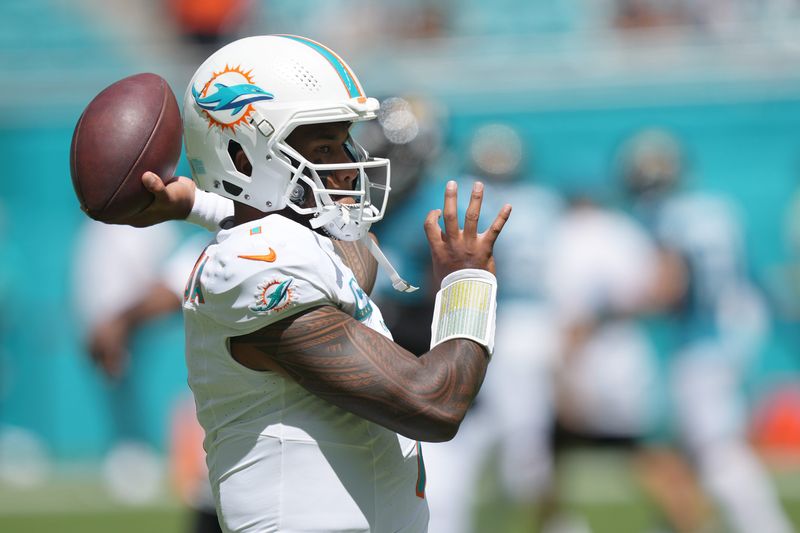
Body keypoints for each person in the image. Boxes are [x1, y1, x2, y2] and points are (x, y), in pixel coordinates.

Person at [125, 34, 511, 532]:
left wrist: (202, 204)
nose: (349, 166)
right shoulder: (256, 265)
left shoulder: (285, 248)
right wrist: (468, 286)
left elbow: (339, 258)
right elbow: (434, 401)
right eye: (325, 147)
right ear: (244, 160)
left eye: (346, 142)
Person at [620, 127, 793, 533]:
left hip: (703, 339)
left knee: (717, 451)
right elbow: (754, 279)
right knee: (699, 444)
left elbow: (672, 284)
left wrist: (622, 306)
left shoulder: (664, 216)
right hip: (736, 333)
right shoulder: (718, 208)